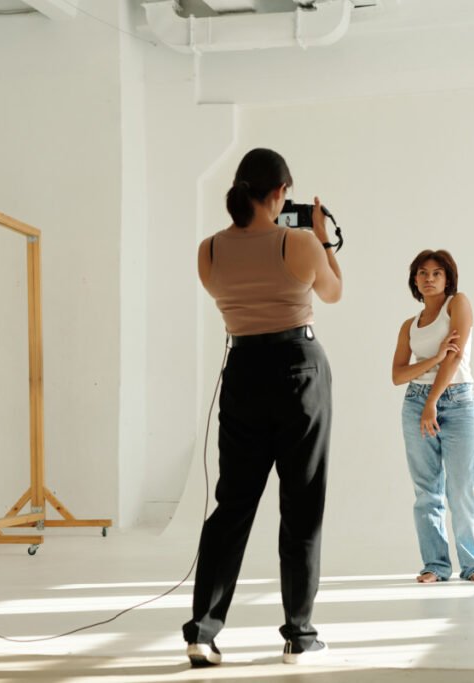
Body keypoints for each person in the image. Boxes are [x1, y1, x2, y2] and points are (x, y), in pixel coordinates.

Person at [183, 148, 343, 667]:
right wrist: (323, 239)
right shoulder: (297, 243)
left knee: (232, 506)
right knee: (301, 506)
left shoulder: (208, 251)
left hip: (244, 371)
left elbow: (230, 292)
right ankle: (299, 636)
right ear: (278, 193)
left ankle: (202, 633)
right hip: (299, 368)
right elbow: (334, 292)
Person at [391, 250, 474, 584]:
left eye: (437, 273)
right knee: (426, 490)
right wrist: (433, 358)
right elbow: (398, 374)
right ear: (414, 280)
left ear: (448, 278)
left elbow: (456, 356)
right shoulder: (409, 325)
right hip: (415, 403)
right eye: (422, 273)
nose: (429, 278)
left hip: (457, 401)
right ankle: (435, 564)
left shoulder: (457, 304)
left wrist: (433, 398)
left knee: (461, 486)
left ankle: (473, 564)